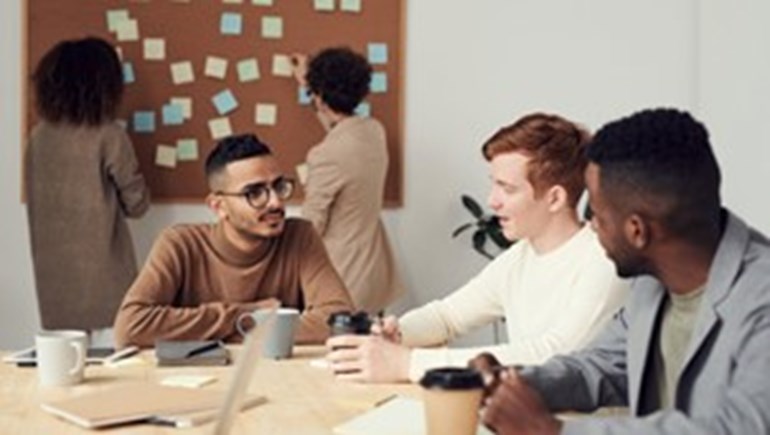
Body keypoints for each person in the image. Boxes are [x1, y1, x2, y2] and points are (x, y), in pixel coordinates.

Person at [478, 108, 770, 435]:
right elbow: (601, 367)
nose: (591, 226)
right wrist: (512, 382)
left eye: (598, 215)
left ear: (637, 231)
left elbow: (743, 427)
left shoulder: (762, 297)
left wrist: (550, 431)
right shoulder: (652, 283)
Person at [326, 113, 629, 383]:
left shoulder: (603, 260)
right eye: (493, 184)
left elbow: (555, 357)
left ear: (555, 199)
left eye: (507, 188)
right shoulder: (520, 257)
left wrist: (409, 364)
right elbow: (448, 317)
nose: (491, 201)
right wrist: (398, 332)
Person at [113, 134, 354, 348]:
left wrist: (228, 331)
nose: (276, 203)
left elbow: (338, 319)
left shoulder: (300, 236)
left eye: (278, 187)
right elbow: (130, 327)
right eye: (255, 193)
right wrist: (249, 314)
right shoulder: (180, 244)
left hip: (277, 379)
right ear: (219, 206)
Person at [25, 37, 150, 335]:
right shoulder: (109, 135)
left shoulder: (38, 137)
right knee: (117, 353)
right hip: (105, 272)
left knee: (66, 356)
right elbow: (138, 204)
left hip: (53, 271)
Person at [290, 47, 404, 315]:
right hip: (373, 273)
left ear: (319, 99)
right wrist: (312, 84)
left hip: (342, 275)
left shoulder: (325, 155)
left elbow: (311, 226)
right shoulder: (373, 132)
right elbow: (339, 132)